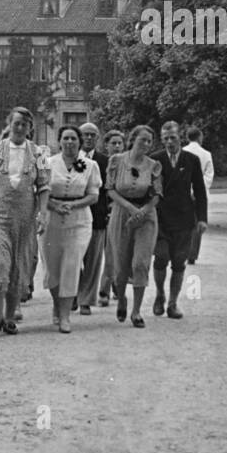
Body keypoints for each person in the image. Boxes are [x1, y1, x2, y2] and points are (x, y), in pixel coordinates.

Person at [0, 107, 49, 337]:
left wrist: (42, 214)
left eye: (24, 125)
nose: (20, 128)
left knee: (19, 265)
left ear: (30, 128)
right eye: (16, 123)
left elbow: (44, 187)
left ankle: (9, 317)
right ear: (9, 124)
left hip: (24, 220)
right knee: (0, 264)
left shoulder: (40, 153)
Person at [41, 125, 101, 333]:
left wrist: (73, 205)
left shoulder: (90, 165)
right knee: (53, 268)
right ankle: (57, 307)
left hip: (79, 221)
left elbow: (94, 195)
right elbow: (38, 190)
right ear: (59, 141)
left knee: (71, 266)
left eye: (73, 139)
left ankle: (66, 316)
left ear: (79, 141)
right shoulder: (46, 163)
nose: (69, 142)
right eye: (65, 138)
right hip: (51, 220)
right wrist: (55, 205)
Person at [106, 125, 162, 328]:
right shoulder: (117, 161)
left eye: (149, 141)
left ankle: (137, 311)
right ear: (133, 139)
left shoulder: (154, 165)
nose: (146, 144)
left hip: (146, 216)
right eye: (142, 140)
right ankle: (121, 298)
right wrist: (130, 208)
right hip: (122, 213)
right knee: (121, 266)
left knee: (141, 263)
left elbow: (157, 194)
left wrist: (143, 211)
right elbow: (110, 189)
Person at [152, 121, 208, 319]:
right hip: (161, 218)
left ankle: (173, 303)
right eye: (165, 138)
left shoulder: (191, 159)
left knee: (179, 261)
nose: (169, 142)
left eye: (173, 137)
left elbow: (200, 191)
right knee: (161, 257)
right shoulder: (155, 159)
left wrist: (202, 218)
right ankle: (159, 294)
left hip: (184, 218)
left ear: (180, 138)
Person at [76, 121, 108, 316]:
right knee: (72, 258)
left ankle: (86, 300)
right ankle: (72, 294)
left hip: (97, 216)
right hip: (73, 216)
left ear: (97, 138)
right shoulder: (68, 158)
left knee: (93, 261)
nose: (88, 138)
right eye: (85, 134)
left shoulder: (105, 161)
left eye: (92, 135)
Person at [98, 129, 125, 306]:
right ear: (106, 145)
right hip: (103, 215)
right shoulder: (101, 164)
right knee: (109, 253)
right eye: (113, 143)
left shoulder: (128, 165)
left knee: (121, 254)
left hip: (122, 213)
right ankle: (104, 290)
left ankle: (115, 286)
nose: (116, 146)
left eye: (119, 143)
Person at [183, 125, 213, 264]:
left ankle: (182, 250)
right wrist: (200, 189)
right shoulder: (206, 154)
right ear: (199, 137)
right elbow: (209, 174)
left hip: (183, 192)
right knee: (197, 224)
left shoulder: (182, 152)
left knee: (183, 223)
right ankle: (192, 254)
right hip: (199, 193)